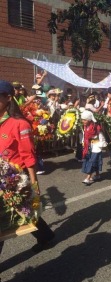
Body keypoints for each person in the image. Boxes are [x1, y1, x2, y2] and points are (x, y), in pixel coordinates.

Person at [0, 80, 55, 253]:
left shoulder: (20, 124)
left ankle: (45, 236)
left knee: (6, 220)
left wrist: (34, 186)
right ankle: (45, 236)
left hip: (15, 179)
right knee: (26, 211)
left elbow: (29, 157)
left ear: (8, 98)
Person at [80, 110, 107, 185]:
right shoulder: (85, 126)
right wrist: (83, 142)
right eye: (82, 120)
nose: (83, 121)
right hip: (89, 146)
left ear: (89, 120)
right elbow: (85, 135)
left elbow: (100, 135)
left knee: (92, 161)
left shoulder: (96, 127)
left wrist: (101, 144)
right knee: (95, 161)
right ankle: (97, 175)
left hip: (96, 146)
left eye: (85, 120)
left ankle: (88, 178)